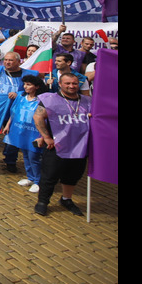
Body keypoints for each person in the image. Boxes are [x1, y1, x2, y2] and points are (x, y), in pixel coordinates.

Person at [33, 72, 91, 217]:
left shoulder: (87, 101)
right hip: (56, 145)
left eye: (75, 83)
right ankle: (43, 202)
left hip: (80, 145)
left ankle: (66, 199)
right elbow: (38, 116)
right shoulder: (50, 99)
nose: (71, 86)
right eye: (68, 83)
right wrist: (46, 137)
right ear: (60, 84)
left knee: (73, 175)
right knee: (49, 175)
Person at [0, 51, 39, 172]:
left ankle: (10, 161)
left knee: (11, 136)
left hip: (16, 112)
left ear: (18, 61)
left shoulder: (28, 75)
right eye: (6, 59)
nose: (7, 62)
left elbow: (37, 88)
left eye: (11, 60)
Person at [4, 75, 46, 193]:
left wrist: (43, 136)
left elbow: (46, 119)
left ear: (37, 87)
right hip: (21, 131)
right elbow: (14, 112)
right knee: (26, 155)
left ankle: (38, 181)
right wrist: (8, 125)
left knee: (34, 157)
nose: (25, 87)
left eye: (29, 84)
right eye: (25, 84)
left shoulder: (42, 100)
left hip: (34, 133)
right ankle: (30, 177)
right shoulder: (21, 97)